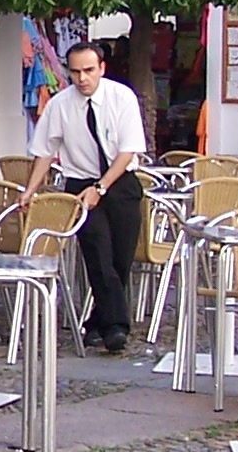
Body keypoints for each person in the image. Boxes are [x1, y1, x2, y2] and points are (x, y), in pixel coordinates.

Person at [22, 41, 149, 354]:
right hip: (80, 183)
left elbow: (128, 150)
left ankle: (97, 321)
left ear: (101, 69)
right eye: (76, 72)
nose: (82, 78)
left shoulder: (122, 98)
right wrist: (30, 189)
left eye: (89, 71)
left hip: (120, 183)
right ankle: (117, 327)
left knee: (120, 259)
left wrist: (102, 188)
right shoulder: (60, 105)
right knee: (97, 254)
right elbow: (44, 151)